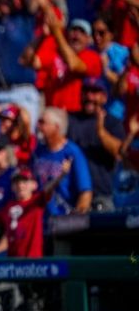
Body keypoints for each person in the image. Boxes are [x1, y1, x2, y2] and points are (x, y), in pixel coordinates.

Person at [0, 162, 72, 258]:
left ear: (33, 185)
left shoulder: (37, 201)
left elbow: (48, 188)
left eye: (25, 181)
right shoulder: (9, 206)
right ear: (12, 186)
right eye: (16, 182)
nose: (20, 185)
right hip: (13, 263)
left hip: (33, 264)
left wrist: (61, 175)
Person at [67, 78, 126, 212]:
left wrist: (100, 130)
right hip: (72, 195)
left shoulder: (113, 123)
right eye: (86, 91)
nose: (89, 96)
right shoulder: (70, 120)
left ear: (104, 97)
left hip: (101, 194)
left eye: (95, 92)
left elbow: (119, 153)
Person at [33, 107, 93, 216]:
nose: (38, 126)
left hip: (62, 218)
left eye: (42, 122)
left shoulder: (72, 152)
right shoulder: (37, 152)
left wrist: (77, 219)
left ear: (56, 127)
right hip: (39, 218)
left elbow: (85, 191)